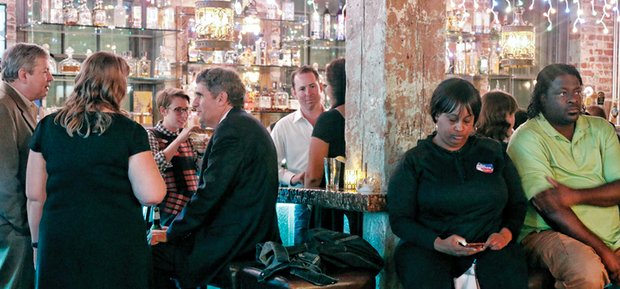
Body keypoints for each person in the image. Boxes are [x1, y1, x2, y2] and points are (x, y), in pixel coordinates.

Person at [25, 51, 166, 288]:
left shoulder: (48, 127)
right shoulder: (129, 131)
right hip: (116, 238)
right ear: (119, 86)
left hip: (60, 236)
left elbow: (35, 196)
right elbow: (152, 194)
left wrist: (37, 245)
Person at [388, 78, 528, 289]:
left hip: (490, 247)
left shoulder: (493, 151)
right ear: (436, 115)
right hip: (429, 248)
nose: (460, 128)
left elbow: (517, 203)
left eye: (467, 121)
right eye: (452, 120)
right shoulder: (416, 160)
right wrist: (439, 243)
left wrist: (505, 234)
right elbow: (400, 219)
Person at [150, 67, 281, 289]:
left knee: (150, 255)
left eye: (200, 95)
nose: (194, 104)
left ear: (222, 98)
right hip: (246, 233)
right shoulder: (241, 124)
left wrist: (171, 232)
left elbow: (209, 194)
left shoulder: (232, 131)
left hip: (237, 241)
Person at [507, 63, 620, 289]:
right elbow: (550, 207)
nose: (573, 99)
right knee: (587, 273)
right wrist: (606, 253)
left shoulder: (601, 129)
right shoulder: (527, 137)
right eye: (562, 93)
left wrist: (574, 195)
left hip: (612, 235)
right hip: (547, 232)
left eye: (577, 91)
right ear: (542, 98)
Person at [0, 43, 53, 289]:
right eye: (45, 71)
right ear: (23, 74)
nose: (51, 77)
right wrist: (26, 224)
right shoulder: (3, 106)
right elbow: (4, 177)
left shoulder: (20, 105)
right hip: (11, 228)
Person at [305, 58, 362, 237]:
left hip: (331, 210)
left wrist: (307, 201)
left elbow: (314, 177)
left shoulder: (328, 120)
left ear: (332, 88)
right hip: (360, 209)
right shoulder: (365, 118)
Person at [270, 65, 324, 244]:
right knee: (303, 253)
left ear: (321, 87)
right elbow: (270, 165)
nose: (308, 93)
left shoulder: (335, 120)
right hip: (302, 198)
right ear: (294, 92)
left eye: (312, 86)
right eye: (302, 88)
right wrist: (293, 178)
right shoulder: (284, 126)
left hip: (333, 199)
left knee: (337, 254)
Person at [147, 88, 201, 226]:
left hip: (190, 208)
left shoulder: (186, 136)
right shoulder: (151, 135)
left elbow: (196, 170)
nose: (184, 115)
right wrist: (178, 141)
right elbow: (152, 169)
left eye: (186, 110)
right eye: (178, 110)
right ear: (163, 111)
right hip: (167, 210)